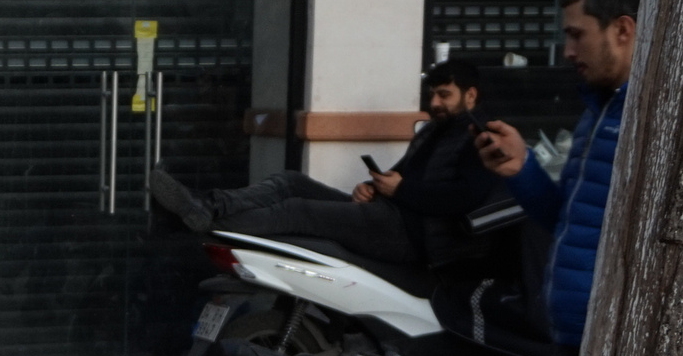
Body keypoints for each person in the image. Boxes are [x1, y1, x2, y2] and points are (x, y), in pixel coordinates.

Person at [474, 0, 639, 356]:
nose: (567, 49)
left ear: (624, 29)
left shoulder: (648, 118)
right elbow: (568, 218)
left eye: (576, 34)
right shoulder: (599, 111)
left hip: (609, 354)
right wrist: (521, 172)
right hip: (570, 347)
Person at [149, 60, 502, 266]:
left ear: (471, 95)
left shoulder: (480, 139)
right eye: (432, 95)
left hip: (414, 237)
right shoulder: (433, 131)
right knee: (290, 181)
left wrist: (402, 190)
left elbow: (464, 198)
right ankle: (206, 206)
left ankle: (201, 224)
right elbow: (401, 177)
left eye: (444, 95)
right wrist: (375, 187)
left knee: (298, 210)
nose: (435, 102)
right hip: (390, 214)